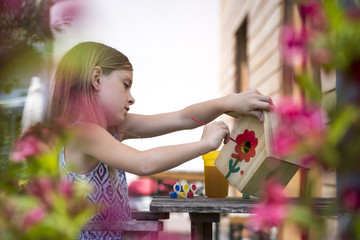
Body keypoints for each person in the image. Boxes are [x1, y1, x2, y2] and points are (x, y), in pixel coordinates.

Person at [47, 41, 273, 239]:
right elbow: (143, 163)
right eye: (125, 85)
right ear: (96, 79)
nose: (131, 98)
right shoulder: (85, 134)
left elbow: (183, 118)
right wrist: (204, 145)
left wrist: (226, 103)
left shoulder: (112, 129)